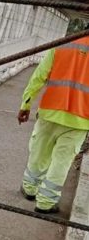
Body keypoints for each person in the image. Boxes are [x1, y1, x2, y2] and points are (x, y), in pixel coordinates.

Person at [18, 36, 89, 214]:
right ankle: (46, 203)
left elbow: (39, 76)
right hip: (80, 119)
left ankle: (29, 189)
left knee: (39, 153)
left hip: (50, 111)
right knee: (61, 162)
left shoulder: (63, 44)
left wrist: (25, 104)